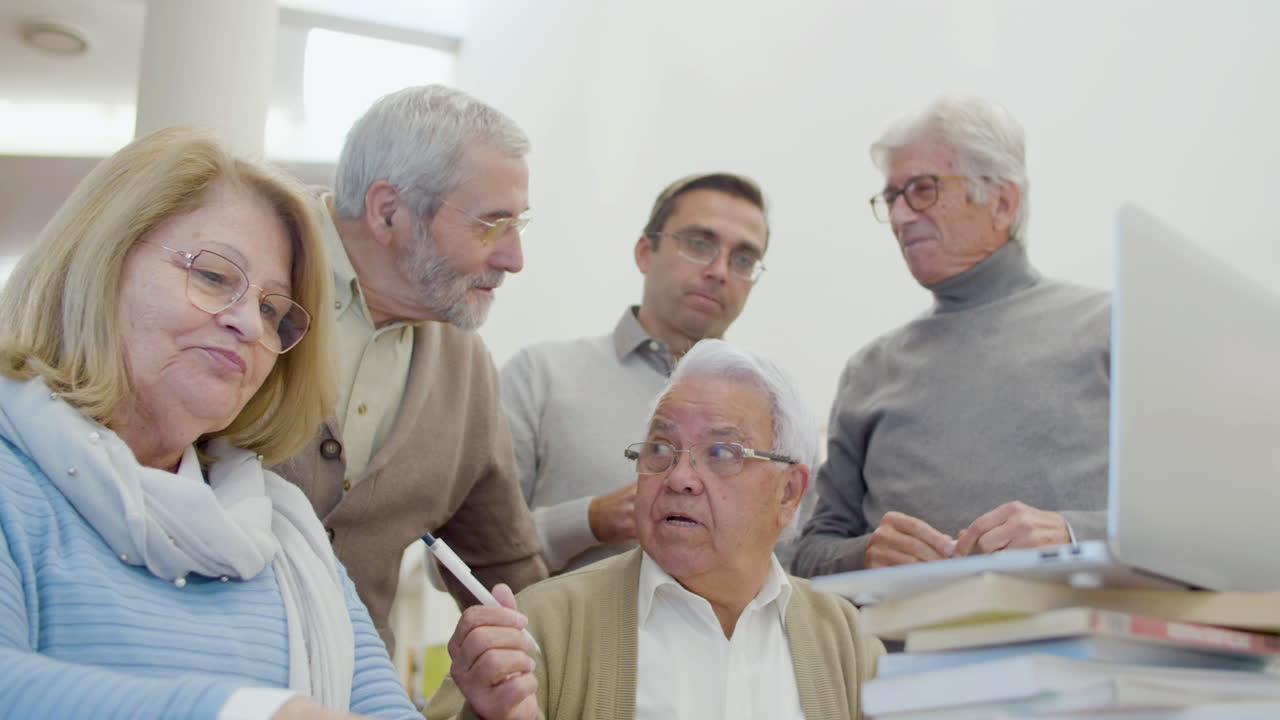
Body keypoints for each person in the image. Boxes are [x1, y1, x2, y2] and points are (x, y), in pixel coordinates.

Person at [0, 127, 418, 719]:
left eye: (274, 311)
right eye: (216, 277)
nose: (250, 323)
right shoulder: (13, 479)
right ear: (103, 259)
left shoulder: (286, 536)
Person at [428, 339, 884, 720]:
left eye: (721, 452)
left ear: (788, 492)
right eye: (661, 447)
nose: (680, 476)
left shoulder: (846, 639)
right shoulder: (544, 625)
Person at [272, 85, 547, 652]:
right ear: (387, 210)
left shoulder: (465, 371)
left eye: (519, 225)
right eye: (491, 224)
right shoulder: (244, 285)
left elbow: (503, 569)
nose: (514, 259)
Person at [792, 95, 1110, 577]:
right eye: (892, 197)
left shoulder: (1110, 328)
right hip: (896, 651)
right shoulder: (870, 370)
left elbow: (1202, 517)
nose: (899, 218)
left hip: (1086, 645)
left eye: (922, 189)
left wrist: (1071, 534)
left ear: (1002, 202)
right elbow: (809, 553)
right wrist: (865, 555)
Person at [501, 173, 778, 574]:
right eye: (700, 244)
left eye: (743, 259)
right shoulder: (540, 377)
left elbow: (791, 562)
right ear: (646, 252)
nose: (719, 270)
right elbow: (451, 559)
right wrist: (590, 521)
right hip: (563, 635)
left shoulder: (769, 408)